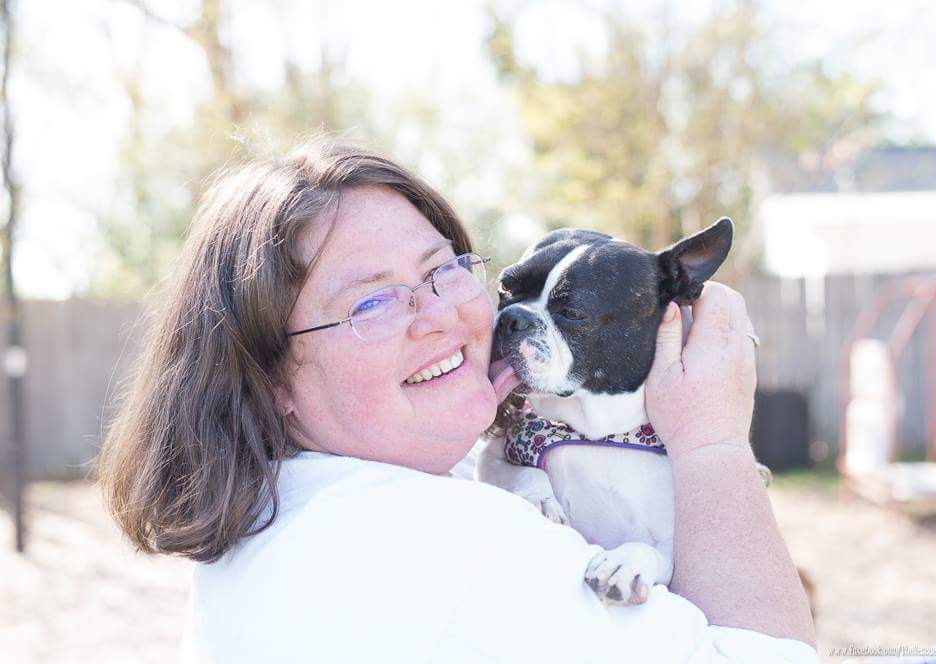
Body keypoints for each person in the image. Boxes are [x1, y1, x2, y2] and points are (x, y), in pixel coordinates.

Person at [98, 140, 817, 663]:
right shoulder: (433, 543)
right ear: (269, 375)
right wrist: (713, 443)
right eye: (372, 302)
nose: (441, 314)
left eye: (442, 270)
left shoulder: (281, 509)